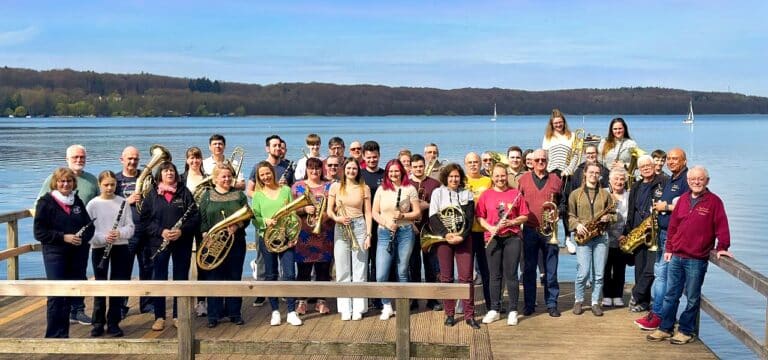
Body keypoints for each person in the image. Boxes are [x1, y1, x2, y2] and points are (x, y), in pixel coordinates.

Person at [647, 166, 732, 345]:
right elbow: (673, 226)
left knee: (692, 297)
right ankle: (665, 328)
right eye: (693, 179)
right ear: (688, 181)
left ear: (707, 181)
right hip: (676, 255)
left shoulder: (714, 202)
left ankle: (686, 331)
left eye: (700, 179)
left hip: (696, 258)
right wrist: (669, 248)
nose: (696, 182)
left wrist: (722, 246)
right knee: (671, 295)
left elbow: (722, 226)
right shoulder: (683, 199)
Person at [36, 144, 97, 325]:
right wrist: (63, 237)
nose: (65, 184)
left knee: (78, 280)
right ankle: (56, 325)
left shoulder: (81, 194)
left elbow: (89, 222)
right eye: (75, 157)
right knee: (57, 288)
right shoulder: (47, 199)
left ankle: (77, 311)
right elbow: (39, 229)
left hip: (78, 248)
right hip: (56, 250)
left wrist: (83, 239)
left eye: (82, 157)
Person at [139, 161, 200, 331]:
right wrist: (161, 231)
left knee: (180, 277)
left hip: (182, 242)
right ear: (160, 174)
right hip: (159, 242)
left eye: (172, 170)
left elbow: (194, 217)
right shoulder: (152, 194)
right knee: (159, 278)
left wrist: (182, 231)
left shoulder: (184, 192)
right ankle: (159, 316)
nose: (169, 173)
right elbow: (145, 221)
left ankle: (177, 315)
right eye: (165, 171)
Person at [635, 148, 689, 330]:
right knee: (660, 275)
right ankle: (659, 314)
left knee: (663, 277)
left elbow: (691, 204)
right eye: (669, 159)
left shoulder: (686, 179)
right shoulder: (672, 179)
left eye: (676, 159)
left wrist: (665, 207)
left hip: (673, 237)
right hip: (663, 233)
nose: (671, 162)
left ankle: (659, 316)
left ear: (684, 161)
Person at [250, 161, 302, 326]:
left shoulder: (285, 190)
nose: (265, 177)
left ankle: (292, 311)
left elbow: (292, 213)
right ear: (259, 177)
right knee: (271, 275)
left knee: (290, 274)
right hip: (267, 239)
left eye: (268, 173)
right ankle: (275, 311)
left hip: (285, 237)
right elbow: (254, 218)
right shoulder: (257, 195)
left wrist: (293, 235)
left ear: (273, 173)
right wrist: (264, 221)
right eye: (262, 175)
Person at [477, 164, 529, 326]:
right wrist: (490, 227)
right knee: (494, 275)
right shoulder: (486, 194)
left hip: (512, 238)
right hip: (493, 238)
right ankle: (494, 309)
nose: (500, 179)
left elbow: (525, 216)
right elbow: (479, 217)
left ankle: (513, 310)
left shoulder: (515, 194)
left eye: (503, 175)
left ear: (507, 176)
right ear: (492, 177)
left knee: (511, 274)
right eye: (497, 176)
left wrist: (511, 222)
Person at [428, 163, 479, 329]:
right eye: (451, 176)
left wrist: (461, 236)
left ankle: (469, 315)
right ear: (446, 177)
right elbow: (433, 217)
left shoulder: (467, 194)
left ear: (460, 177)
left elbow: (469, 219)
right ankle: (449, 314)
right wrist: (446, 234)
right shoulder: (437, 193)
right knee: (446, 277)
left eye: (457, 176)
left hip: (463, 239)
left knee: (466, 277)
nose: (454, 179)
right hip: (444, 240)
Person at [198, 163, 249, 328]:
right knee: (214, 278)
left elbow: (247, 217)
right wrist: (205, 234)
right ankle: (214, 314)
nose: (227, 179)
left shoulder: (239, 195)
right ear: (215, 179)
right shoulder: (207, 196)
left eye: (229, 176)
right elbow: (202, 219)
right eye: (223, 176)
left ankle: (234, 313)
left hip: (236, 242)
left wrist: (237, 225)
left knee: (234, 277)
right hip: (213, 243)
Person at [86, 170, 134, 337]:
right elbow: (88, 232)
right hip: (100, 248)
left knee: (117, 285)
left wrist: (119, 233)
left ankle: (114, 322)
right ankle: (98, 323)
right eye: (106, 185)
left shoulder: (123, 202)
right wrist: (103, 238)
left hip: (120, 247)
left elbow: (130, 228)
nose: (109, 188)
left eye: (112, 185)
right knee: (100, 285)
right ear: (99, 185)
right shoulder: (93, 204)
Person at [371, 159, 421, 320]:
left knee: (402, 271)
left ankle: (402, 306)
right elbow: (374, 213)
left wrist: (403, 215)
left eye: (396, 171)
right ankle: (386, 305)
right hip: (385, 232)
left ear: (402, 172)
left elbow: (417, 212)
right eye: (391, 171)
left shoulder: (410, 189)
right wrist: (386, 223)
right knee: (381, 274)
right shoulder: (381, 189)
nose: (394, 174)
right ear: (387, 173)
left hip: (405, 232)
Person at [518, 149, 563, 317]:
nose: (540, 162)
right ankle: (529, 304)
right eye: (537, 160)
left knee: (551, 269)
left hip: (549, 230)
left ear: (547, 161)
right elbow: (518, 203)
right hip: (530, 230)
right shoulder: (523, 180)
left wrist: (558, 213)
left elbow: (563, 203)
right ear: (532, 162)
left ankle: (551, 304)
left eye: (543, 159)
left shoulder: (556, 180)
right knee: (529, 269)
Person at [327, 157, 372, 321]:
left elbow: (368, 212)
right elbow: (329, 211)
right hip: (341, 227)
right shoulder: (335, 186)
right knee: (342, 270)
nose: (351, 171)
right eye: (348, 168)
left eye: (354, 168)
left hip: (359, 227)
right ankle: (345, 308)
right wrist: (337, 218)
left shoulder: (364, 188)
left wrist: (368, 235)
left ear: (358, 170)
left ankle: (359, 308)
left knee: (360, 270)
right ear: (344, 170)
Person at [568, 163, 615, 317]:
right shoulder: (575, 194)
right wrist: (577, 225)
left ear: (600, 175)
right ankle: (579, 300)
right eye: (591, 172)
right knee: (583, 272)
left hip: (601, 237)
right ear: (585, 173)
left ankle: (595, 302)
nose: (594, 175)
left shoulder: (605, 194)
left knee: (599, 273)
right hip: (584, 236)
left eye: (597, 173)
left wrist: (609, 217)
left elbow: (614, 215)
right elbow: (570, 215)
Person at [622, 155, 666, 313]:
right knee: (639, 269)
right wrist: (627, 232)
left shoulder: (664, 182)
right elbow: (631, 211)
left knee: (652, 268)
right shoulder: (636, 185)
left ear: (654, 166)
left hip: (655, 232)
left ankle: (636, 293)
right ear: (639, 170)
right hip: (639, 231)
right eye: (642, 167)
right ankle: (643, 302)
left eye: (648, 165)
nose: (646, 168)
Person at [291, 158, 335, 315]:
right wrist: (304, 210)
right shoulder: (298, 186)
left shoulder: (330, 186)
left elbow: (335, 207)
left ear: (322, 169)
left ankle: (321, 301)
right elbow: (291, 209)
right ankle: (302, 302)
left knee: (323, 269)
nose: (314, 171)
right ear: (306, 169)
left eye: (317, 168)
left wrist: (323, 217)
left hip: (325, 233)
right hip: (304, 234)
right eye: (311, 168)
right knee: (303, 270)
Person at [115, 146, 152, 317]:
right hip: (126, 233)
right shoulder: (115, 180)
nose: (133, 162)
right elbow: (107, 204)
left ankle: (147, 303)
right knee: (123, 270)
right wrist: (126, 201)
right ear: (122, 159)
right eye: (129, 158)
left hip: (145, 231)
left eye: (136, 159)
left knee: (147, 268)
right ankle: (120, 306)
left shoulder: (146, 178)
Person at [408, 154, 442, 311]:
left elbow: (440, 205)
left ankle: (432, 299)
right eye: (415, 167)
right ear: (411, 168)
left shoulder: (434, 183)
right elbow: (401, 207)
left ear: (425, 166)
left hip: (429, 229)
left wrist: (426, 205)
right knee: (413, 265)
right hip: (412, 229)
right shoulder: (406, 184)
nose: (418, 169)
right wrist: (411, 221)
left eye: (420, 166)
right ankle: (414, 299)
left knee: (431, 265)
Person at [464, 152, 492, 311]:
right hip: (467, 233)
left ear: (480, 164)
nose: (473, 165)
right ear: (465, 164)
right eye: (470, 162)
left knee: (486, 270)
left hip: (484, 232)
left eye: (476, 162)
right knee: (466, 272)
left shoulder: (488, 181)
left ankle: (490, 303)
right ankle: (466, 304)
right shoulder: (461, 181)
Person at [360, 140, 385, 309]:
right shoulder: (359, 175)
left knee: (377, 262)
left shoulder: (385, 175)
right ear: (363, 157)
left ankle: (376, 298)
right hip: (362, 224)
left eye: (374, 157)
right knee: (362, 263)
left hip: (381, 225)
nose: (372, 160)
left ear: (379, 156)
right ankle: (364, 297)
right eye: (368, 157)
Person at [603, 168, 630, 308]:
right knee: (606, 268)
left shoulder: (629, 195)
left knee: (620, 268)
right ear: (610, 180)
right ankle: (606, 295)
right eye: (616, 179)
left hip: (624, 238)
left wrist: (625, 234)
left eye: (622, 179)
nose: (619, 182)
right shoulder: (604, 193)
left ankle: (618, 295)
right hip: (606, 237)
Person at [541, 109, 575, 177]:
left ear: (564, 122)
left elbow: (575, 156)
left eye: (560, 122)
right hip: (550, 173)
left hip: (566, 174)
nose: (558, 125)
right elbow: (545, 157)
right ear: (552, 124)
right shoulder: (547, 137)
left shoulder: (572, 136)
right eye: (556, 123)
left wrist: (568, 170)